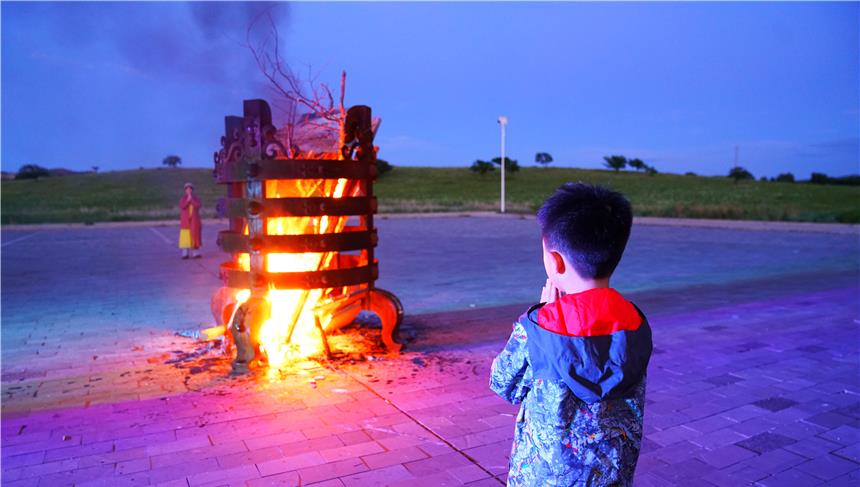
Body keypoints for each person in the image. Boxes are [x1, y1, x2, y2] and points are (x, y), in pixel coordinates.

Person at [490, 182, 653, 486]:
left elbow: (503, 384)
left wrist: (543, 313)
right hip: (610, 476)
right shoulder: (635, 321)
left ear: (555, 261)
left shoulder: (537, 327)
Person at [178, 182, 202, 259]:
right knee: (185, 237)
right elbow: (182, 206)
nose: (188, 190)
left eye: (190, 188)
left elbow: (198, 205)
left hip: (194, 221)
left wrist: (191, 200)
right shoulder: (183, 199)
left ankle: (195, 253)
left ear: (192, 190)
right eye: (187, 189)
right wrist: (188, 200)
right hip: (186, 222)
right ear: (185, 190)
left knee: (194, 236)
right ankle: (185, 254)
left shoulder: (196, 198)